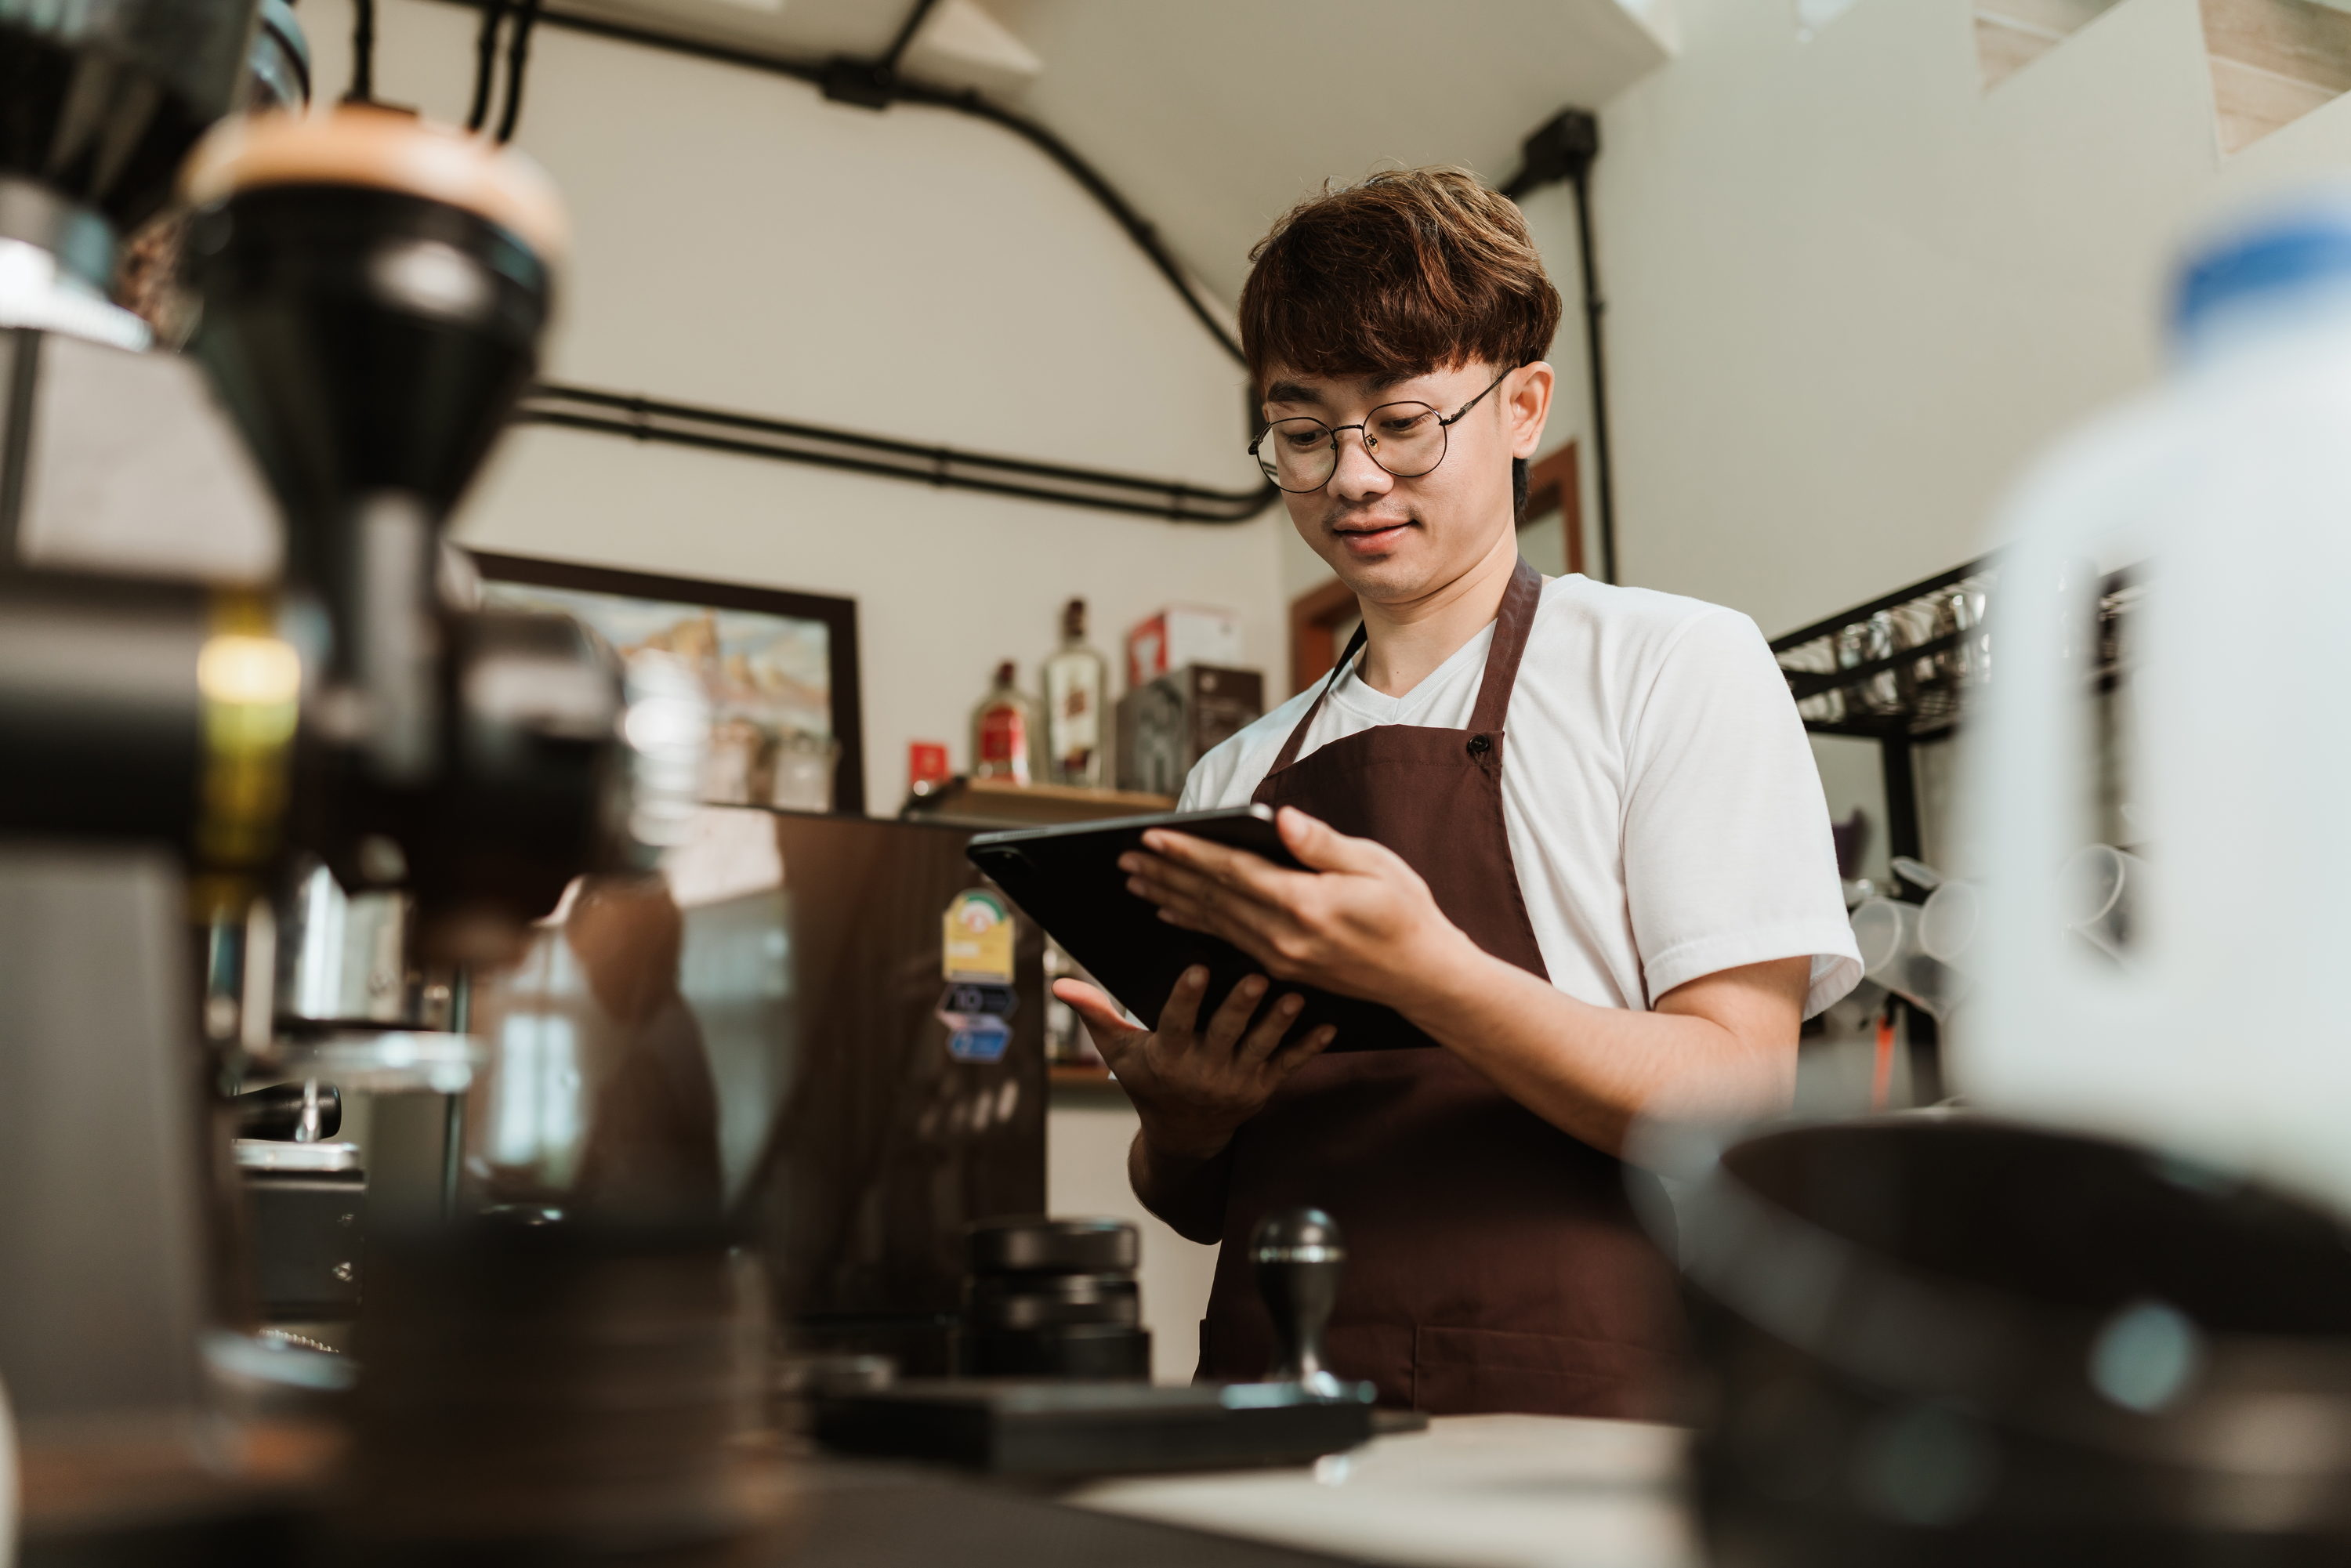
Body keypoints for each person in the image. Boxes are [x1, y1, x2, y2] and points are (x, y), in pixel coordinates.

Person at [1053, 168, 1860, 1418]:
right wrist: (1187, 1121)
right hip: (1276, 1408)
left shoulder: (1668, 664)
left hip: (1576, 1408)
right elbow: (1194, 1198)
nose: (1353, 478)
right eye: (1306, 433)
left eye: (1404, 422)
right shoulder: (1234, 774)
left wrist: (1426, 970)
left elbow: (1735, 1098)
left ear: (1524, 404)